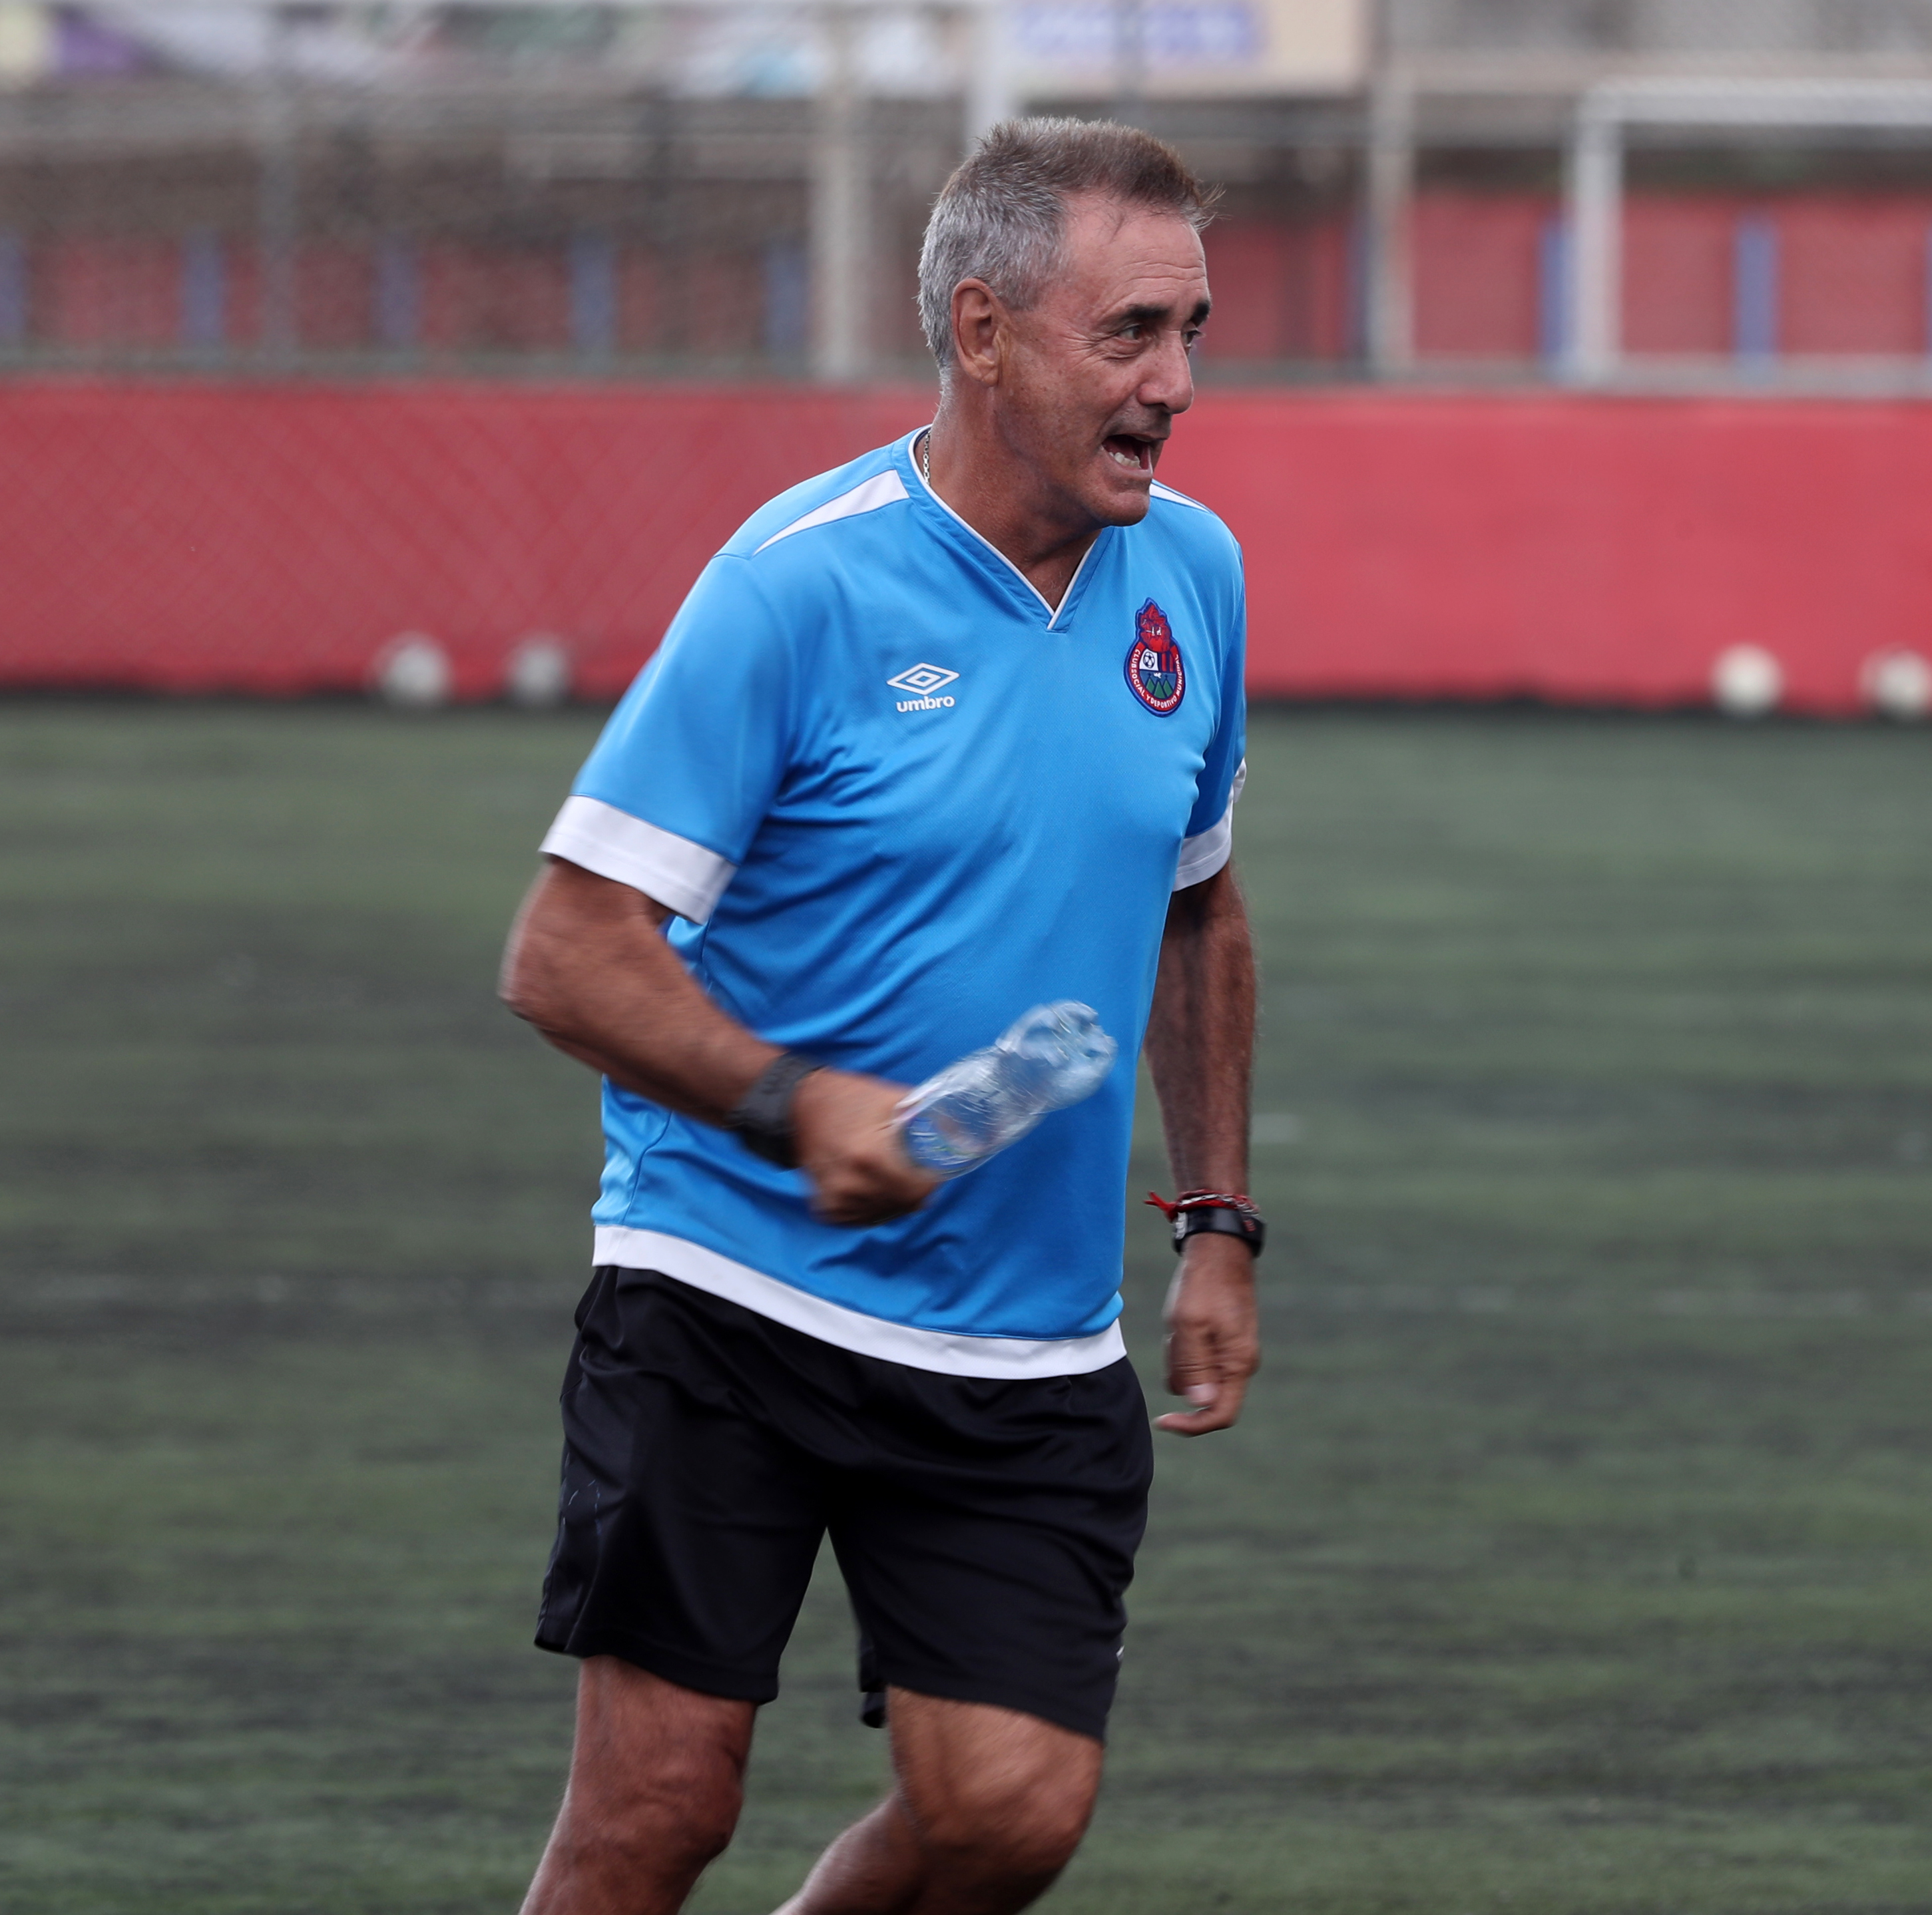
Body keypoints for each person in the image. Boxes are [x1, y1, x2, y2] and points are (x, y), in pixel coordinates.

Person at [497, 118, 1259, 1915]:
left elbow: (1200, 904)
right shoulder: (797, 584)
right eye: (1131, 333)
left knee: (1008, 1813)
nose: (1176, 385)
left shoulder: (1196, 579)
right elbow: (567, 948)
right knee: (658, 1808)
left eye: (1192, 332)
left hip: (1022, 1343)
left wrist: (1220, 1221)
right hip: (730, 1290)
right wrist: (790, 1102)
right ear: (984, 333)